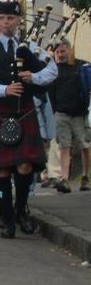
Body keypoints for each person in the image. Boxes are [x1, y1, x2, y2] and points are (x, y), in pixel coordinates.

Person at [0, 1, 57, 238]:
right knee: (0, 171)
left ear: (18, 21)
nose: (6, 22)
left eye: (11, 18)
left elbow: (52, 71)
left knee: (25, 167)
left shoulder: (31, 47)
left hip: (25, 111)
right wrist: (4, 90)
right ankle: (7, 217)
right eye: (1, 18)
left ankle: (21, 209)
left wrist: (34, 76)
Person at [48, 40, 89, 193]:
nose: (60, 55)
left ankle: (85, 176)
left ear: (70, 50)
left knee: (83, 145)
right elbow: (51, 93)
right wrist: (55, 111)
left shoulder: (81, 67)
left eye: (63, 51)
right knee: (64, 145)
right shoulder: (54, 70)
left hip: (79, 113)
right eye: (58, 52)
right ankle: (64, 179)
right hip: (61, 113)